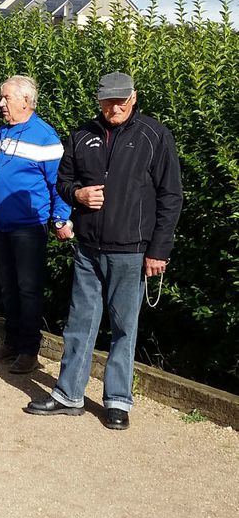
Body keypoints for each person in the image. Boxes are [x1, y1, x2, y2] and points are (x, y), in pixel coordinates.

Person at [26, 72, 183, 430]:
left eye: (121, 100)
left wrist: (159, 250)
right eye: (107, 100)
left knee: (125, 328)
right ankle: (69, 394)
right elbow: (63, 182)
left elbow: (171, 196)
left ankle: (117, 401)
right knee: (79, 322)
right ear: (98, 100)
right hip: (88, 248)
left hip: (132, 250)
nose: (114, 107)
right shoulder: (82, 135)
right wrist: (77, 195)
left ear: (133, 97)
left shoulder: (155, 136)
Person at [0, 76, 73, 374]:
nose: (1, 103)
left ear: (26, 101)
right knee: (8, 287)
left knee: (28, 289)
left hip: (30, 226)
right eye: (2, 98)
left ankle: (30, 350)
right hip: (2, 225)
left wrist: (61, 217)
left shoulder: (44, 136)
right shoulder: (1, 133)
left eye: (6, 98)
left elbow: (60, 184)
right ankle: (12, 342)